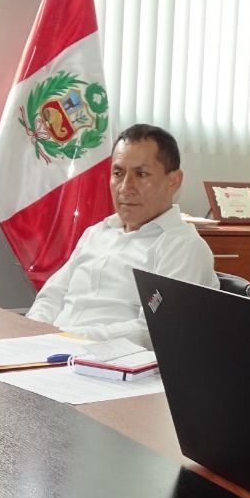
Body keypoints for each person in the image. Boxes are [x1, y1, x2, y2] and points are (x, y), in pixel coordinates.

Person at [25, 123, 216, 346]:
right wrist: (34, 334)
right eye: (118, 173)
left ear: (173, 182)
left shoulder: (182, 247)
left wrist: (67, 338)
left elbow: (153, 331)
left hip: (112, 368)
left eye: (141, 174)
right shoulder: (96, 233)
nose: (125, 187)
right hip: (50, 353)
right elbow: (52, 296)